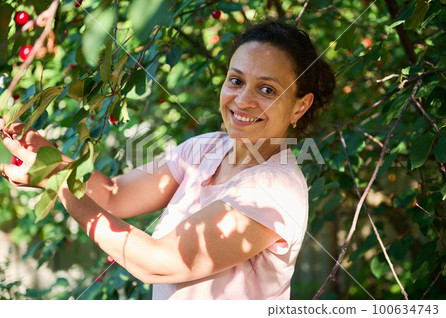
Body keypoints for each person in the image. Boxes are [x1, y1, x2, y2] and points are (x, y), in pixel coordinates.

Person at [0, 20, 335, 300]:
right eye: (236, 80)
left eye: (267, 90)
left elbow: (158, 262)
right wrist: (45, 154)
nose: (242, 100)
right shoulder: (205, 149)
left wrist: (56, 184)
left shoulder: (274, 187)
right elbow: (115, 194)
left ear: (300, 106)